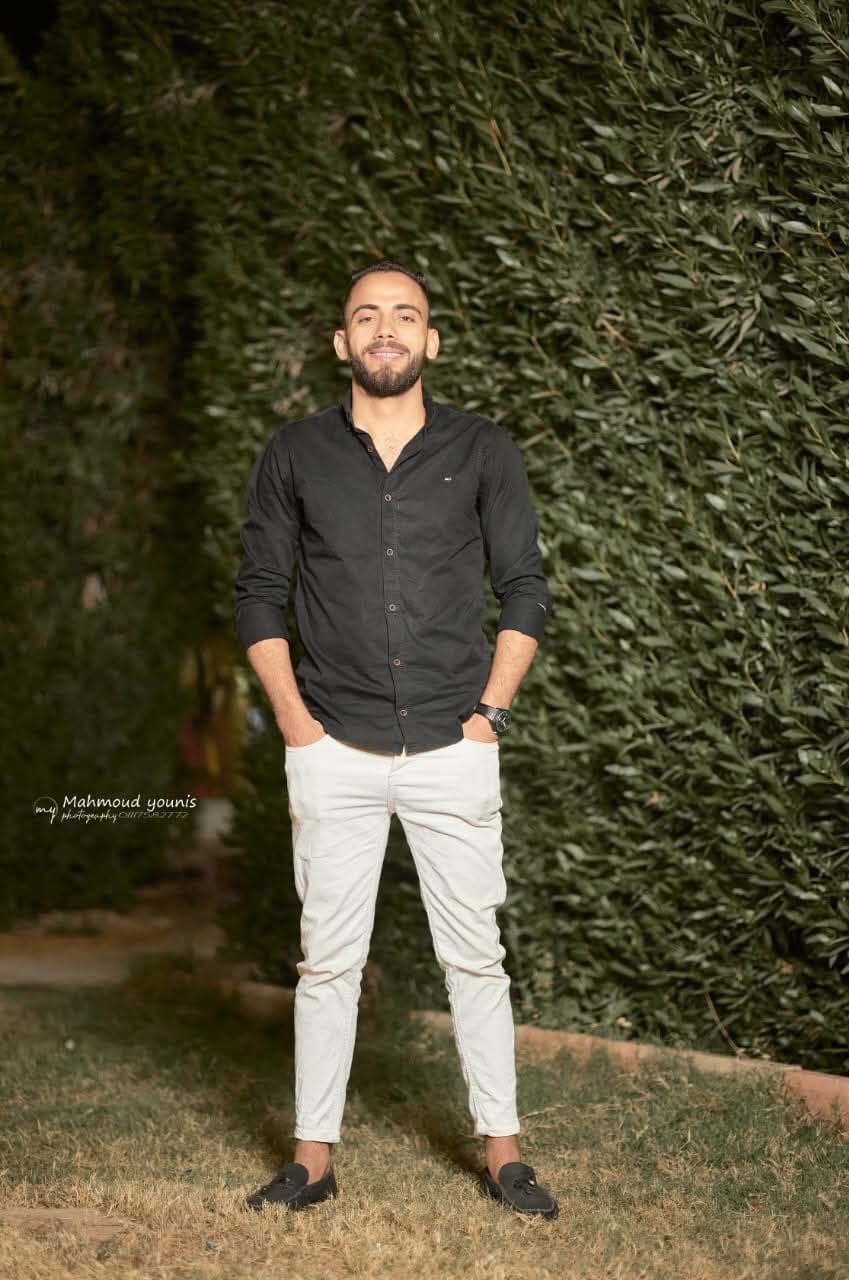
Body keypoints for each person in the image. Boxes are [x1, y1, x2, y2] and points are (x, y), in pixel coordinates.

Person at [233, 260, 558, 1219]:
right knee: (326, 964)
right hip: (331, 745)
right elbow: (258, 593)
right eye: (367, 316)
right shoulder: (294, 453)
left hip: (453, 746)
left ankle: (503, 1155)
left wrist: (490, 715)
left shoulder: (482, 449)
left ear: (430, 340)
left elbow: (525, 589)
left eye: (404, 316)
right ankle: (311, 1161)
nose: (386, 330)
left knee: (476, 959)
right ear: (341, 341)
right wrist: (296, 725)